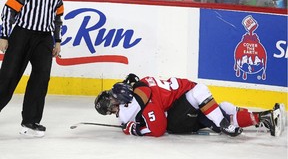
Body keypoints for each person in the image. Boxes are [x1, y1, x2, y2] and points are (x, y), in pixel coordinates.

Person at [95, 74, 284, 137]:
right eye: (111, 104)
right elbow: (158, 128)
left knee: (223, 107)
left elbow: (151, 121)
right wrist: (133, 128)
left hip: (183, 109)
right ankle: (224, 125)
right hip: (180, 116)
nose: (114, 106)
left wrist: (131, 127)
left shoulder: (140, 97)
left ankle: (264, 118)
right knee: (200, 91)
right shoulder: (144, 97)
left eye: (113, 102)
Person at [0, 0, 64, 138]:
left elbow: (58, 16)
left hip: (44, 37)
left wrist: (57, 40)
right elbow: (9, 10)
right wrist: (4, 35)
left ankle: (30, 121)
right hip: (22, 35)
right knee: (8, 77)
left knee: (42, 77)